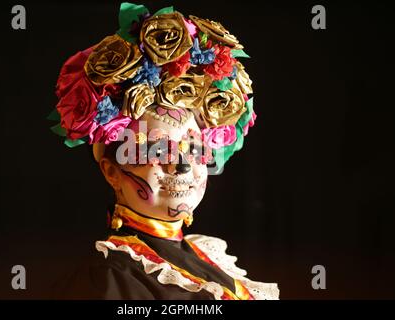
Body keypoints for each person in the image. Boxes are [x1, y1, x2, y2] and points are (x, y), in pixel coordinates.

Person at [48, 2, 279, 300]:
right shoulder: (107, 279)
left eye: (194, 148)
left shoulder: (207, 257)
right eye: (158, 150)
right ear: (111, 171)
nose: (181, 165)